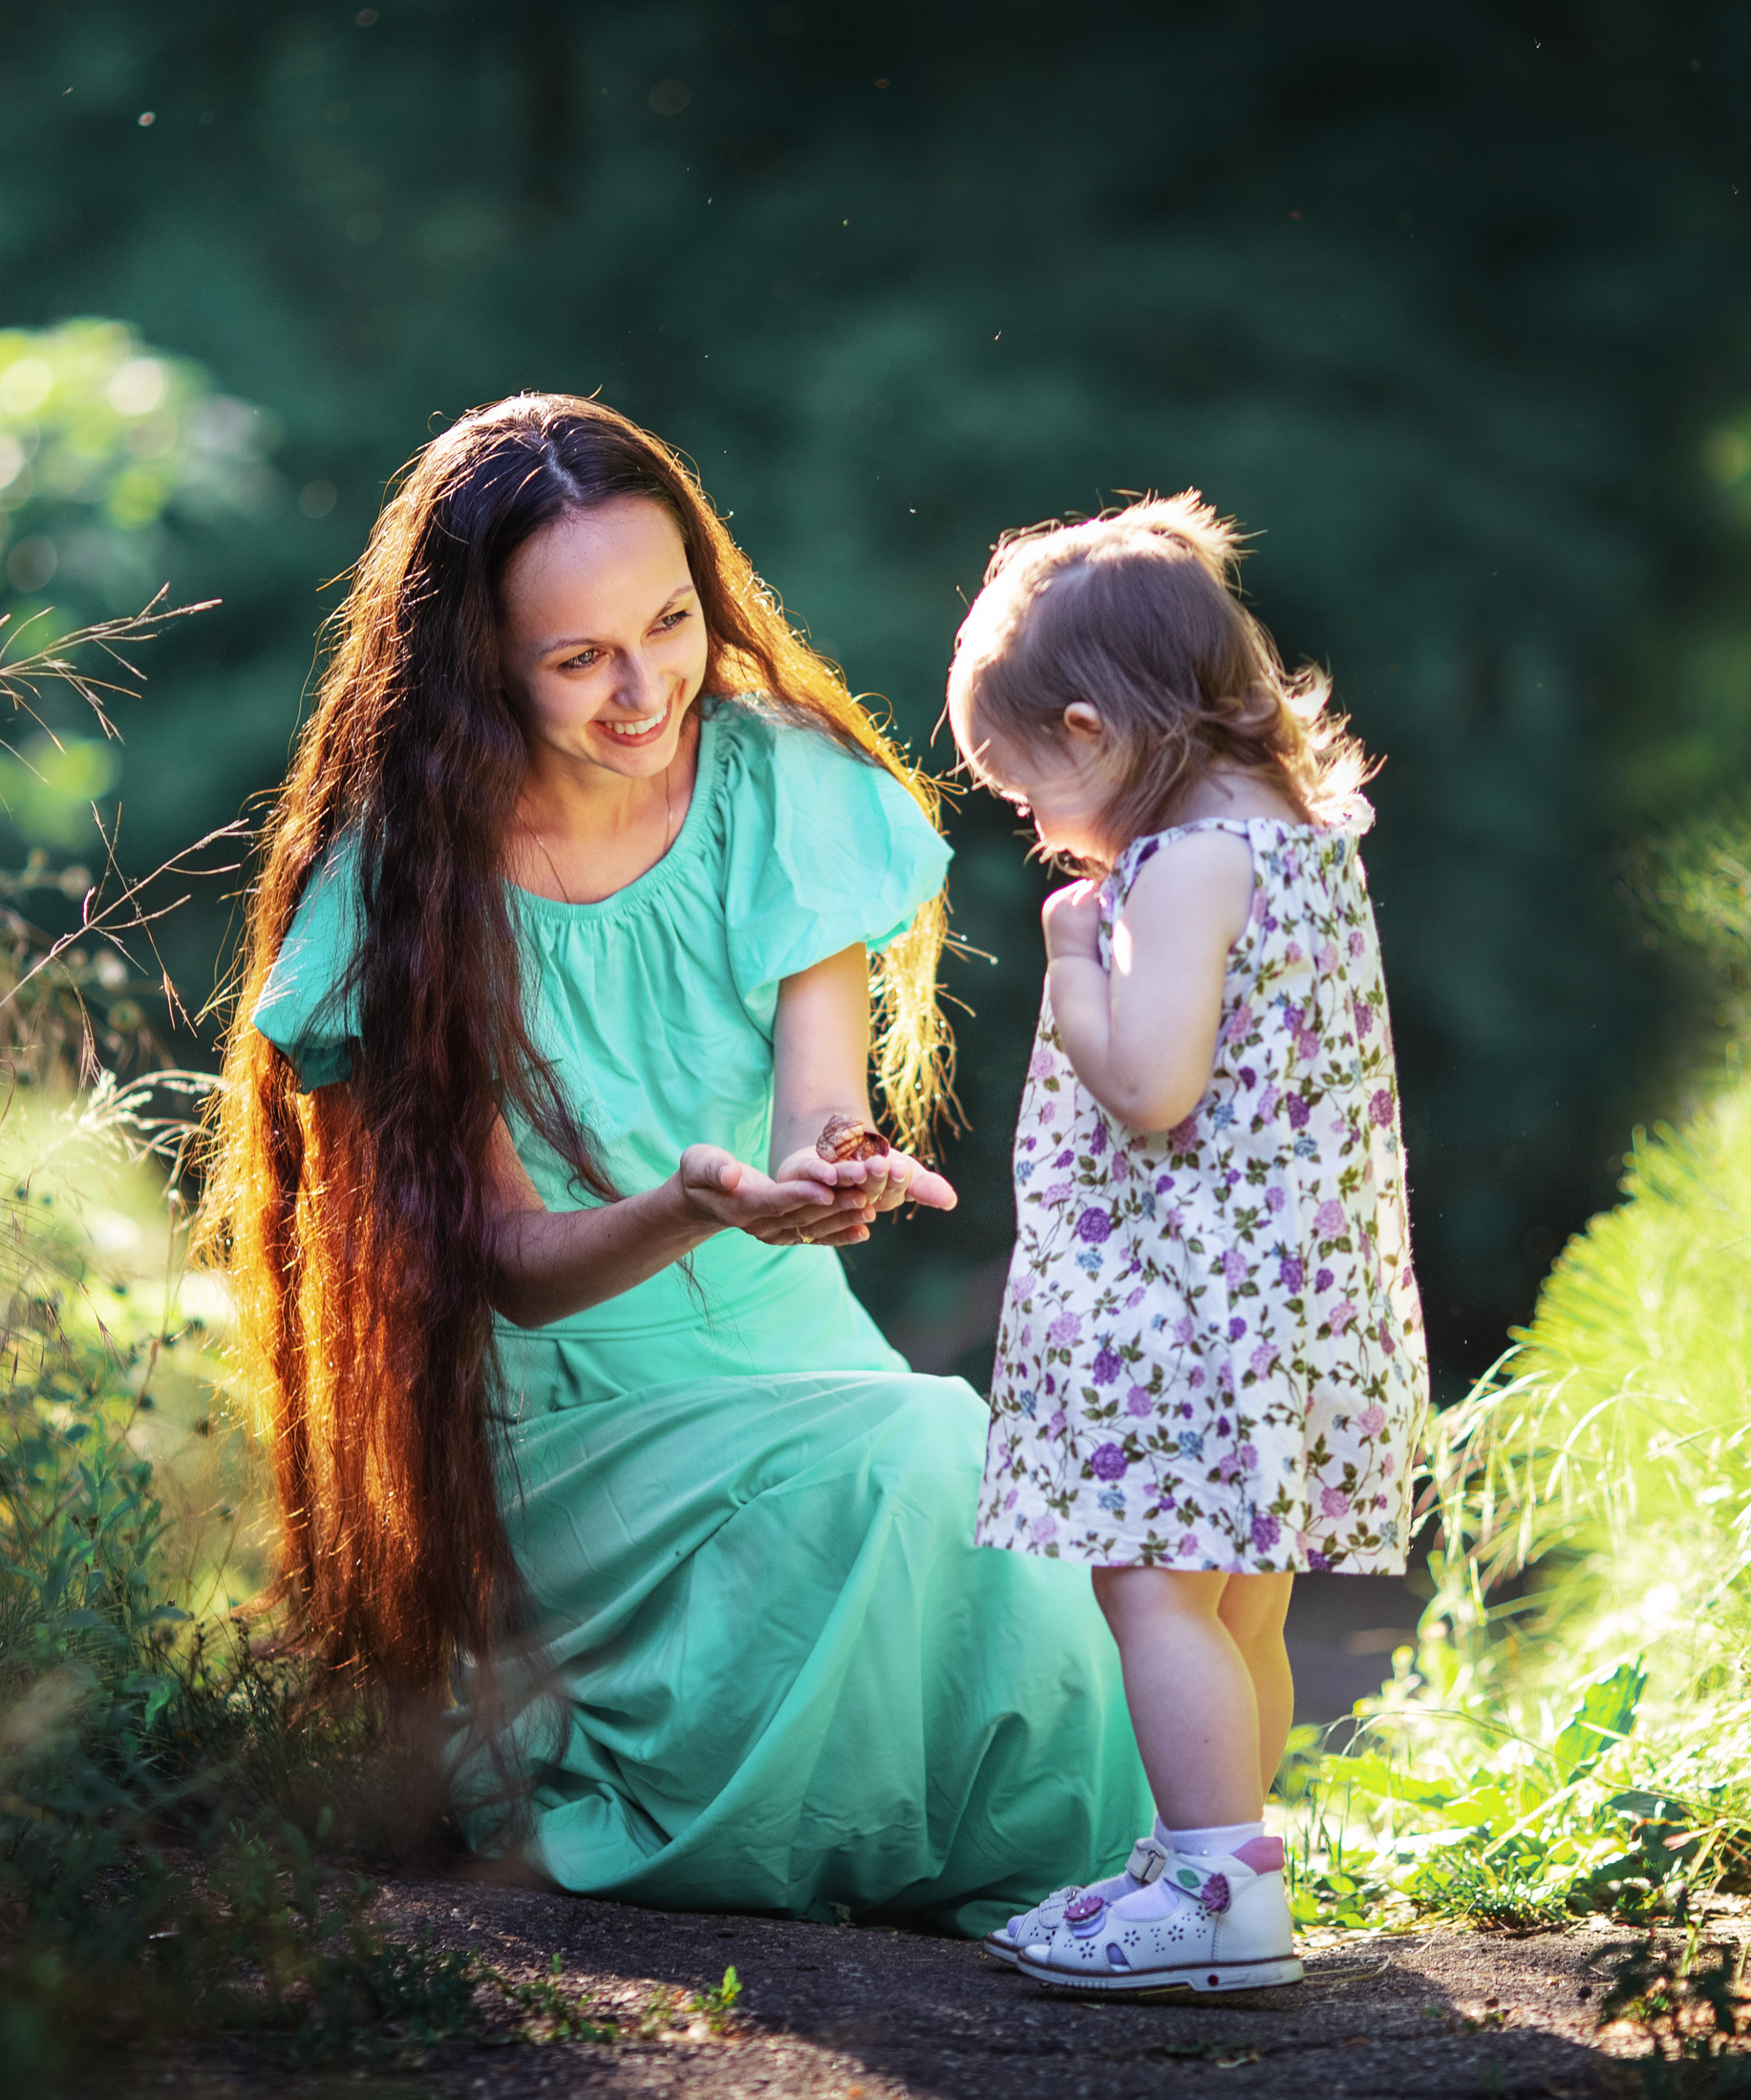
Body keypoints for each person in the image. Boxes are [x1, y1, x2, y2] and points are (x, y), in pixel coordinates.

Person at [206, 394, 1149, 1935]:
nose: (645, 688)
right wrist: (685, 1209)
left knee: (965, 1468)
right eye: (578, 657)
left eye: (669, 622)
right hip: (574, 1419)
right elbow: (511, 1275)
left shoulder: (781, 779)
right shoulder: (410, 882)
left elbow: (813, 1112)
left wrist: (824, 1172)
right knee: (916, 1455)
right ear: (476, 670)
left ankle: (1077, 1901)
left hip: (793, 1358)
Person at [945, 495, 1429, 1991]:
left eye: (1028, 794)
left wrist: (1075, 959)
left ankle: (1218, 1886)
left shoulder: (1185, 869)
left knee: (1151, 1585)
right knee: (1240, 1597)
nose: (1037, 830)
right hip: (1294, 1303)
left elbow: (1153, 1087)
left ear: (1094, 730)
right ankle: (1220, 1850)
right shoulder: (1307, 840)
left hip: (1190, 1302)